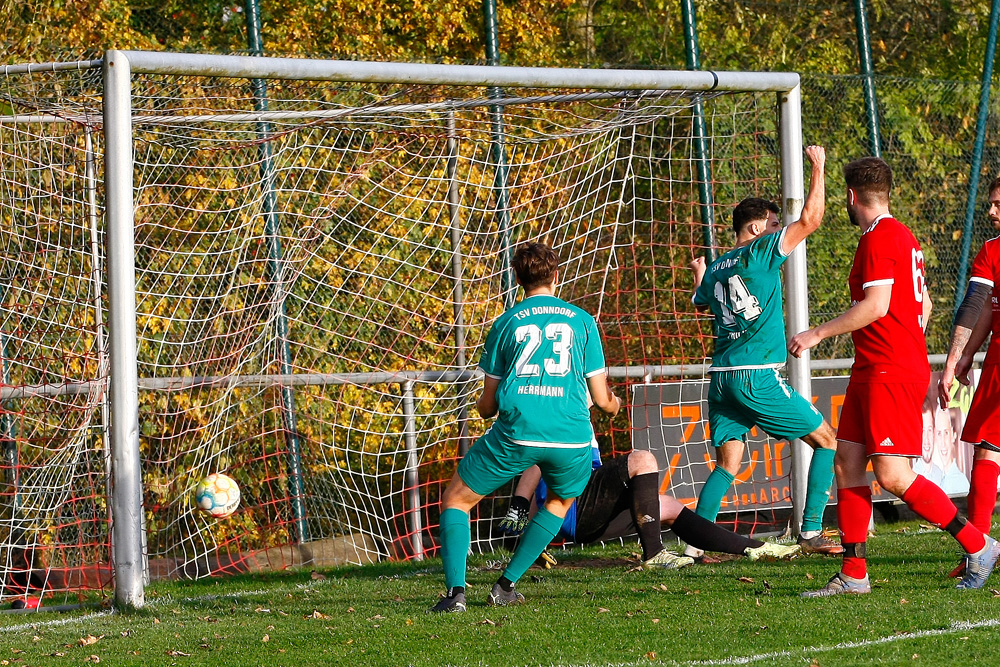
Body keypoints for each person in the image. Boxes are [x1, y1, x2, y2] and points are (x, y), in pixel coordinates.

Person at [789, 156, 999, 596]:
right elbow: (922, 307)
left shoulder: (882, 237)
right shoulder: (896, 236)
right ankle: (854, 573)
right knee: (847, 462)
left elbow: (877, 305)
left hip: (889, 369)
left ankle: (979, 545)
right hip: (873, 365)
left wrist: (816, 333)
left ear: (851, 197)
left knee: (892, 475)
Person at [429, 241, 621, 613]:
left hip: (518, 432)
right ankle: (505, 585)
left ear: (517, 279)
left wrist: (484, 408)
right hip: (572, 437)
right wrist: (614, 406)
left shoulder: (505, 323)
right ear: (556, 275)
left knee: (456, 499)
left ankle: (455, 594)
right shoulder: (582, 320)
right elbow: (601, 399)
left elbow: (488, 404)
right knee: (559, 502)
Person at [687, 145, 842, 558]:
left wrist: (701, 273)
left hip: (721, 378)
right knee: (826, 439)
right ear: (756, 229)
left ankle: (695, 546)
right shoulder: (759, 251)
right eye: (774, 224)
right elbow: (811, 220)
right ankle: (810, 532)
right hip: (756, 375)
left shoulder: (720, 264)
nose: (779, 229)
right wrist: (819, 167)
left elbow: (699, 299)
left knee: (728, 463)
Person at [499, 448, 801, 564]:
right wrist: (519, 507)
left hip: (586, 518)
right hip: (574, 510)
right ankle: (654, 553)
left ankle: (752, 548)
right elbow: (537, 463)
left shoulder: (575, 411)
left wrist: (531, 544)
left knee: (665, 505)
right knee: (642, 460)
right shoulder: (560, 411)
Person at [938, 176, 1000, 556]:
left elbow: (975, 303)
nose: (991, 211)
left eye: (997, 204)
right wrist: (965, 355)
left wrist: (952, 362)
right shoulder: (991, 249)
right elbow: (986, 314)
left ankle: (978, 550)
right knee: (988, 446)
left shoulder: (993, 250)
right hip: (995, 357)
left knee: (989, 448)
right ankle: (978, 548)